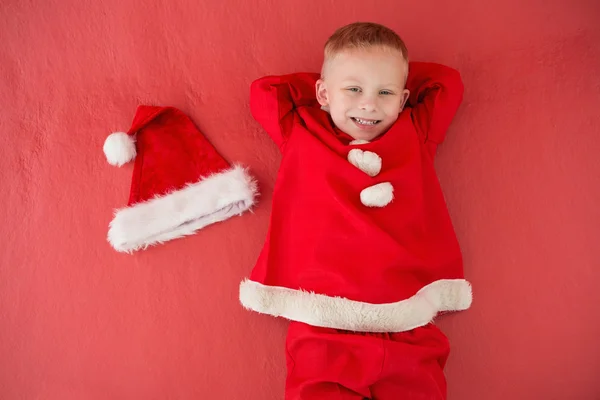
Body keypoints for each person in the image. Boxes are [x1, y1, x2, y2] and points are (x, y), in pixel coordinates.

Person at [239, 21, 472, 399]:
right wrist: (332, 89)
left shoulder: (416, 129)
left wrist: (382, 82)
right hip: (322, 323)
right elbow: (264, 92)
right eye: (354, 89)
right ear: (322, 92)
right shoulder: (300, 129)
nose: (368, 104)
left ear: (404, 98)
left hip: (407, 323)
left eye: (384, 92)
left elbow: (448, 85)